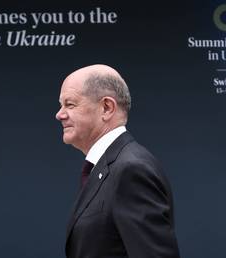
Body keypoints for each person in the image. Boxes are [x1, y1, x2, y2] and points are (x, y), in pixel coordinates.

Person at [55, 64, 180, 258]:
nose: (60, 114)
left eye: (70, 104)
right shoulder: (109, 167)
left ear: (107, 107)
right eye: (61, 105)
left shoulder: (131, 169)